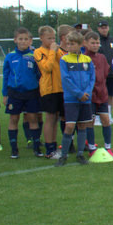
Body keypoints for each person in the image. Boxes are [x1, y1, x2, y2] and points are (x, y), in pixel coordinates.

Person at [55, 31, 94, 167]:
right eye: (68, 44)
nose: (69, 46)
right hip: (71, 99)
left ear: (80, 45)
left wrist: (87, 93)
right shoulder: (64, 60)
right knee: (70, 126)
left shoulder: (87, 60)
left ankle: (80, 154)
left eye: (72, 44)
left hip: (85, 99)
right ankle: (63, 155)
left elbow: (91, 78)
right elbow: (65, 79)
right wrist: (78, 94)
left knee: (82, 125)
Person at [2, 28, 42, 159]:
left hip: (31, 93)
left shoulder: (34, 56)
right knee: (14, 119)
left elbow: (39, 75)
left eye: (26, 39)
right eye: (20, 39)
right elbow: (6, 76)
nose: (23, 41)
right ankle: (14, 150)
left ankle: (37, 147)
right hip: (14, 93)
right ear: (15, 40)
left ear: (30, 40)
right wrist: (5, 94)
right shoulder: (10, 56)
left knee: (33, 119)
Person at [34, 25, 65, 159]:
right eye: (49, 38)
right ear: (41, 38)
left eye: (53, 38)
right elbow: (47, 67)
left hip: (60, 88)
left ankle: (55, 145)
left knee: (57, 118)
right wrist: (52, 51)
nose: (52, 41)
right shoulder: (39, 52)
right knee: (50, 118)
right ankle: (49, 148)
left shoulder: (57, 51)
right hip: (48, 89)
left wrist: (57, 51)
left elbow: (63, 61)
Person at [83, 31, 113, 155]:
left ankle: (108, 147)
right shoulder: (84, 58)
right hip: (90, 95)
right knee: (89, 121)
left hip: (102, 94)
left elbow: (105, 73)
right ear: (85, 43)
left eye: (97, 43)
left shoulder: (101, 57)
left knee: (106, 120)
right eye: (92, 43)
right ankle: (91, 147)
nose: (95, 45)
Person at [96, 20, 113, 121]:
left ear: (108, 28)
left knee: (110, 95)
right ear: (98, 29)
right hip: (100, 74)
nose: (104, 29)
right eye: (102, 27)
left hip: (112, 74)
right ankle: (97, 117)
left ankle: (109, 116)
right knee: (98, 94)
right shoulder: (96, 41)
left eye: (105, 27)